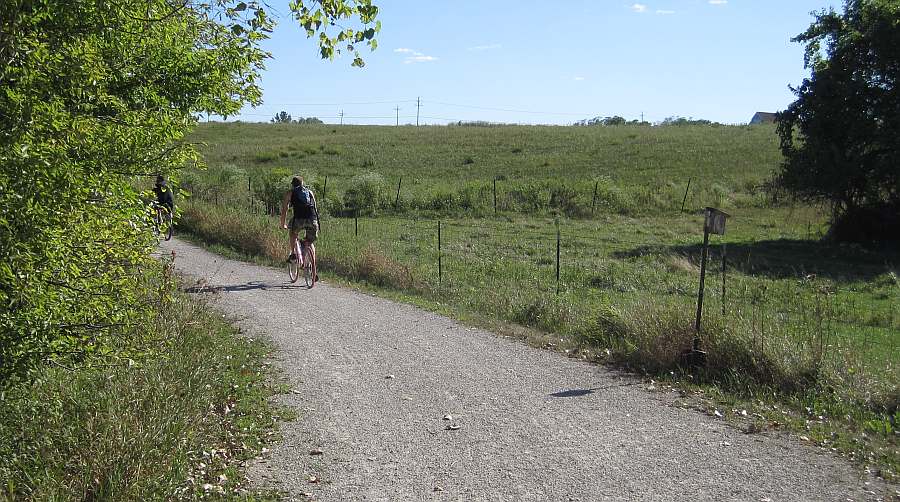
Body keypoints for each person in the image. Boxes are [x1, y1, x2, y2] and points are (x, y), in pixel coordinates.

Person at [279, 176, 319, 270]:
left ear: (292, 184)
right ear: (302, 184)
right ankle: (312, 268)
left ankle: (293, 254)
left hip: (298, 219)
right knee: (310, 242)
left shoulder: (290, 193)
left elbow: (285, 209)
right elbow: (315, 209)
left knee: (292, 233)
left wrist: (282, 224)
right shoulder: (309, 192)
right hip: (312, 220)